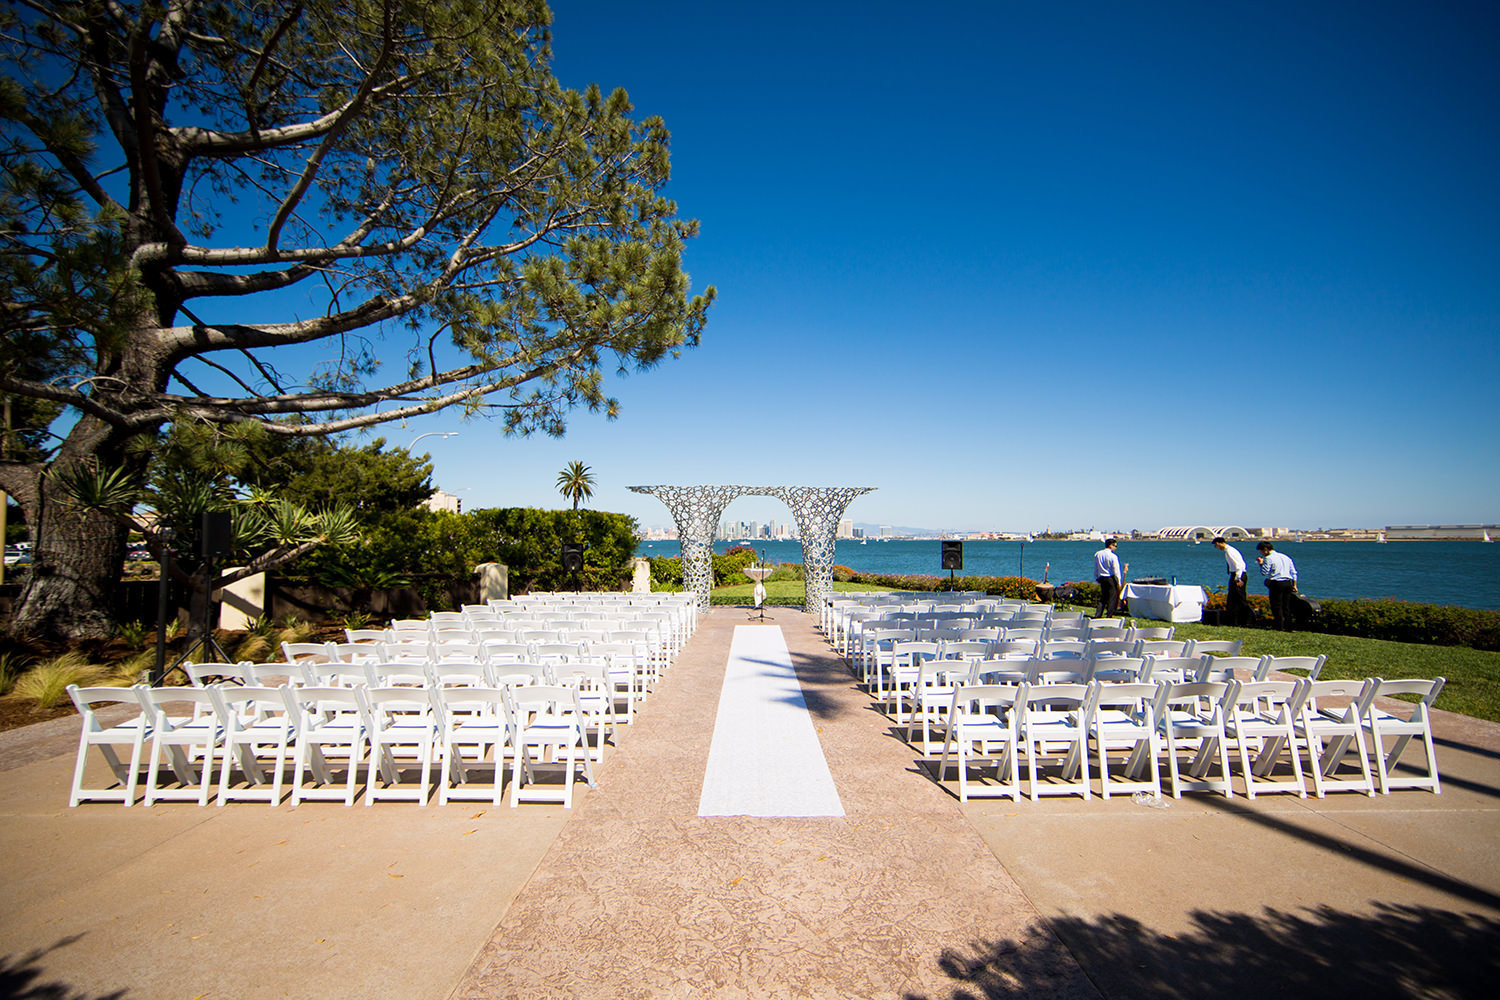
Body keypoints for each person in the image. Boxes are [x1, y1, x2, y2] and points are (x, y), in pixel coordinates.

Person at [1256, 541, 1298, 631]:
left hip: (1276, 583)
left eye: (1261, 551)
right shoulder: (1286, 557)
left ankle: (1279, 625)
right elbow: (1294, 572)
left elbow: (1264, 573)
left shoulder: (1268, 558)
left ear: (1265, 550)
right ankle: (1288, 626)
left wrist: (1261, 564)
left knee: (1276, 605)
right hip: (1288, 582)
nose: (1261, 554)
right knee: (1286, 605)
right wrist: (1294, 585)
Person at [1212, 536, 1249, 626]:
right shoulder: (1229, 551)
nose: (1216, 548)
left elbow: (1239, 565)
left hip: (1237, 575)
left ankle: (1247, 619)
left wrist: (1238, 578)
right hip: (1236, 574)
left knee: (1240, 598)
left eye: (1216, 546)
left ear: (1218, 543)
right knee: (1233, 598)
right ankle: (1234, 620)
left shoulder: (1230, 551)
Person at [1092, 538, 1128, 618]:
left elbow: (1096, 567)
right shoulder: (1113, 556)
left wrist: (1096, 577)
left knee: (1103, 597)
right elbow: (1116, 570)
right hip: (1110, 578)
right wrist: (1119, 581)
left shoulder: (1098, 554)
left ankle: (1098, 614)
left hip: (1102, 577)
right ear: (1110, 545)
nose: (1115, 547)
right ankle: (1109, 614)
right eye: (1115, 546)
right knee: (1112, 598)